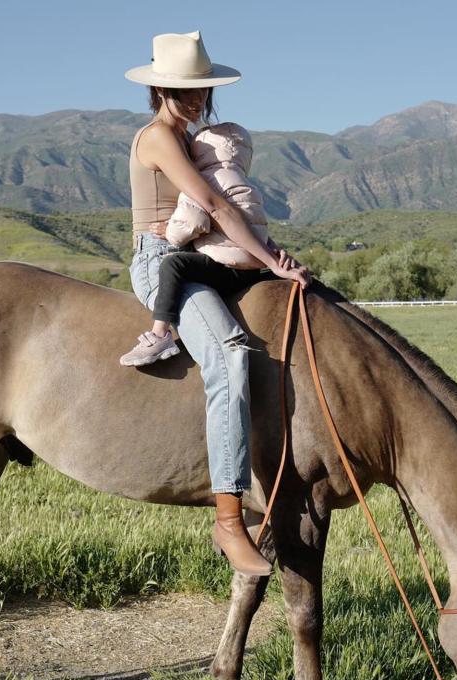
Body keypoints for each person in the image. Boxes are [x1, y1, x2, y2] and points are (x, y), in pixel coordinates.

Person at [122, 31, 310, 576]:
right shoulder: (158, 136)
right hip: (164, 258)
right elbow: (209, 202)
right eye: (186, 89)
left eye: (202, 88)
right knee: (230, 355)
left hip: (204, 247)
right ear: (159, 88)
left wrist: (270, 254)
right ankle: (230, 519)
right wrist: (271, 259)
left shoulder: (193, 138)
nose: (198, 98)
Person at [120, 120, 287, 366]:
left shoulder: (205, 181)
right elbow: (253, 225)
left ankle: (159, 334)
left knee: (174, 265)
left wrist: (170, 232)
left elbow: (194, 220)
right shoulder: (249, 186)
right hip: (251, 267)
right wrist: (272, 257)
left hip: (222, 263)